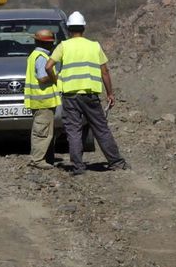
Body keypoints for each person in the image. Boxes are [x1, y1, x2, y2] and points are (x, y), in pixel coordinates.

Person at [44, 11, 128, 175]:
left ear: (68, 29)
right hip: (90, 96)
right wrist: (110, 93)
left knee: (73, 131)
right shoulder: (94, 46)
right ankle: (116, 162)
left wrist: (56, 80)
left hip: (70, 96)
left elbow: (48, 67)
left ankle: (78, 167)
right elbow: (105, 72)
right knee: (101, 128)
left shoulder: (63, 46)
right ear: (84, 28)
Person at [23, 28, 62, 168]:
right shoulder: (41, 57)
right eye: (51, 42)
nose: (53, 45)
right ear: (47, 43)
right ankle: (38, 160)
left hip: (41, 101)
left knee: (44, 130)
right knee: (41, 132)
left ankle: (44, 158)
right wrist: (57, 77)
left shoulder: (36, 55)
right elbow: (42, 78)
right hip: (43, 101)